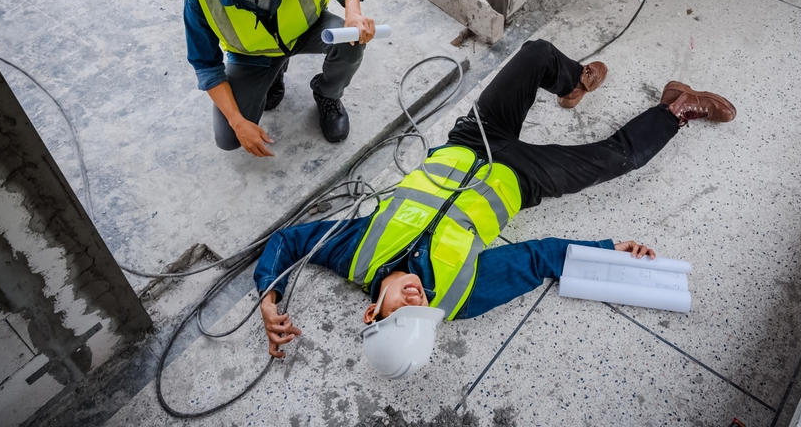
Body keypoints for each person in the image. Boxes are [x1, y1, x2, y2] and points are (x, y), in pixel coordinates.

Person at [254, 39, 736, 377]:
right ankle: (676, 107)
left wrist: (267, 298)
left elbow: (288, 241)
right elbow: (539, 259)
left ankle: (574, 81)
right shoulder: (460, 299)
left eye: (403, 311)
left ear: (371, 314)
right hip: (523, 176)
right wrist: (608, 249)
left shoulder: (353, 254)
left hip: (473, 138)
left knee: (537, 53)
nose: (419, 303)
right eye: (422, 318)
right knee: (619, 158)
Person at [184, 0, 376, 153]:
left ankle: (328, 95)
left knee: (351, 42)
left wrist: (354, 13)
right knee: (229, 138)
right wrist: (237, 121)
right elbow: (205, 65)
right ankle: (273, 75)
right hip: (253, 57)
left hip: (310, 29)